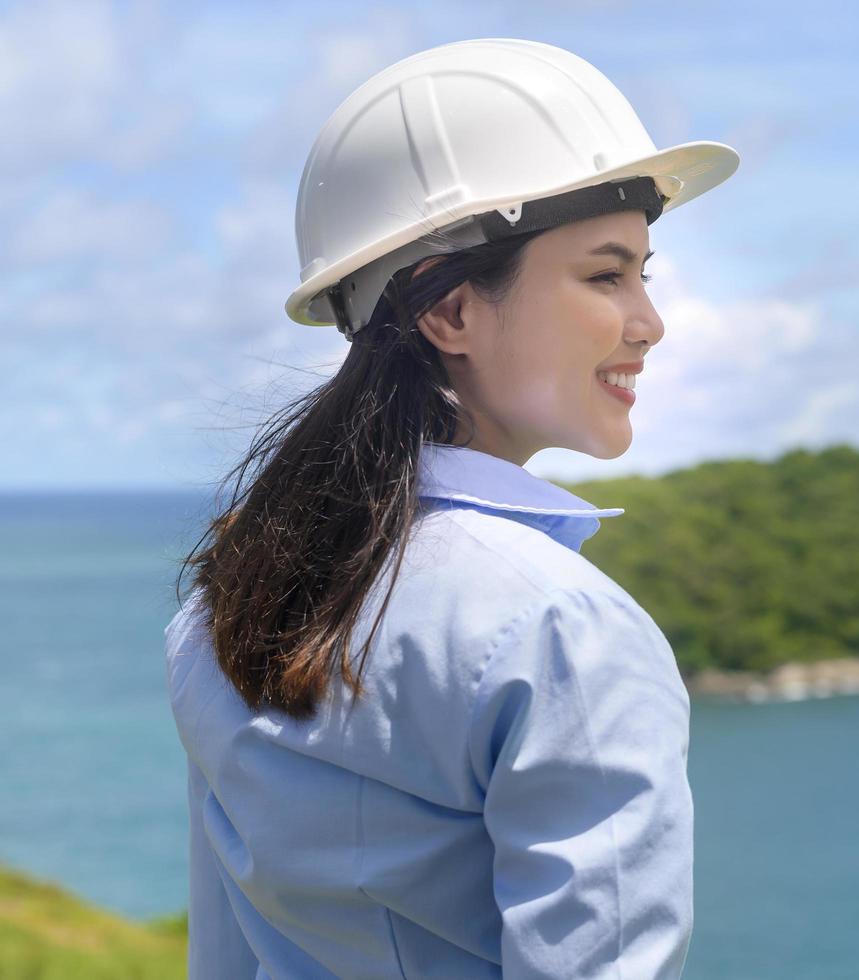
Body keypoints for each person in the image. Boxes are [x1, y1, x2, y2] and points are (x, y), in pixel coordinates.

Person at [164, 38, 739, 979]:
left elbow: (223, 957)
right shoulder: (560, 630)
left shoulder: (223, 604)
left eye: (644, 273)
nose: (649, 319)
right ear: (451, 314)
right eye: (605, 274)